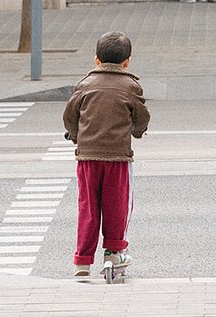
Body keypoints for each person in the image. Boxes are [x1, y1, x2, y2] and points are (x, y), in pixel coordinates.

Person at [63, 31, 150, 278]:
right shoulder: (131, 86)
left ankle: (82, 260)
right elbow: (141, 116)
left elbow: (70, 115)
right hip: (118, 158)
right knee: (117, 205)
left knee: (88, 207)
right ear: (127, 62)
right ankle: (114, 252)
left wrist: (76, 136)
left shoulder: (85, 85)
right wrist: (137, 131)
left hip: (87, 158)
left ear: (96, 60)